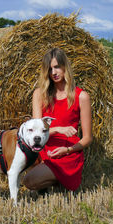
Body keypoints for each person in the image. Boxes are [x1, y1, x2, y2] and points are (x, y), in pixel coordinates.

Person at [22, 47, 93, 192]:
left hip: (67, 153)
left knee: (29, 181)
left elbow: (87, 138)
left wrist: (67, 150)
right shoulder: (39, 94)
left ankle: (57, 178)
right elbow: (36, 130)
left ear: (65, 67)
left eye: (57, 67)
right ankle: (53, 179)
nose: (53, 73)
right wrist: (58, 129)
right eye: (49, 69)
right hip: (43, 148)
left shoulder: (81, 96)